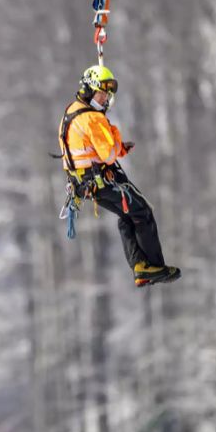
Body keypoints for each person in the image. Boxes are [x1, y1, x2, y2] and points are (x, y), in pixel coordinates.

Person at [58, 65, 181, 287]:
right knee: (142, 212)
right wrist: (112, 130)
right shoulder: (93, 118)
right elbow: (108, 154)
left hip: (84, 184)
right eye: (101, 94)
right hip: (101, 181)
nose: (104, 99)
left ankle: (140, 267)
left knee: (128, 216)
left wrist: (119, 147)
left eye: (107, 95)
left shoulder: (72, 110)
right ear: (88, 90)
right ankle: (154, 265)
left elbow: (90, 147)